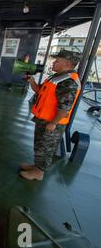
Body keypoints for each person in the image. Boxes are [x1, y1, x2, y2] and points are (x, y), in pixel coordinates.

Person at [21, 49, 82, 181]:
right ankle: (36, 166)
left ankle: (38, 173)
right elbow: (39, 91)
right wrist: (31, 81)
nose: (54, 62)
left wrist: (53, 123)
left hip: (52, 122)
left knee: (46, 148)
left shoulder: (68, 82)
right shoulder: (57, 77)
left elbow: (64, 108)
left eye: (57, 60)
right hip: (44, 118)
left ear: (67, 63)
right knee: (39, 145)